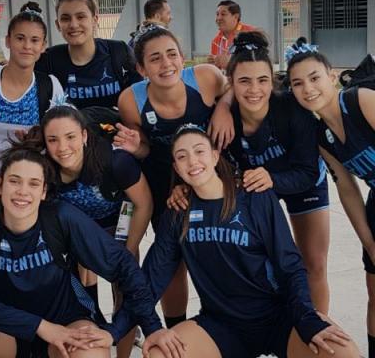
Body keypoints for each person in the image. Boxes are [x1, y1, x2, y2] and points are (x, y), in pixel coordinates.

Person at [111, 124, 359, 358]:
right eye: (182, 156)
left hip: (277, 317)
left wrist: (307, 318)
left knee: (341, 351)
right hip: (221, 325)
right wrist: (113, 332)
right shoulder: (178, 213)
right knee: (160, 354)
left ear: (215, 156)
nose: (193, 161)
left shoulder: (254, 196)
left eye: (199, 151)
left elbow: (290, 265)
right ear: (176, 168)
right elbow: (150, 281)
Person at [0, 142, 161, 358]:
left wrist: (140, 329)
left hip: (65, 325)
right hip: (6, 332)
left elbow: (125, 266)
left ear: (44, 191)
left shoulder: (60, 217)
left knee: (91, 350)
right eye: (14, 181)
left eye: (34, 184)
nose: (23, 191)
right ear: (0, 183)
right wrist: (41, 326)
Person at [168, 31, 331, 314]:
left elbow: (306, 172)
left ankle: (318, 328)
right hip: (256, 186)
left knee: (313, 264)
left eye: (262, 80)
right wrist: (185, 186)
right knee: (261, 262)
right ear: (231, 83)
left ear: (273, 81)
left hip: (302, 182)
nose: (254, 89)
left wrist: (272, 179)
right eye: (244, 81)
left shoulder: (292, 110)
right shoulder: (222, 120)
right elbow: (205, 162)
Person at [115, 24, 233, 329]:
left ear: (182, 57)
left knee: (219, 251)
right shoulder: (131, 100)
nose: (166, 64)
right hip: (164, 186)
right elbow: (144, 149)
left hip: (208, 178)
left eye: (172, 54)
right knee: (173, 260)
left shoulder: (206, 78)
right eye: (155, 59)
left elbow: (233, 89)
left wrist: (222, 106)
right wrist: (136, 147)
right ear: (141, 69)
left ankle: (225, 323)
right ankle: (177, 328)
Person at [28, 104, 153, 357]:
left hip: (118, 226)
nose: (63, 148)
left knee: (126, 293)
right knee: (80, 292)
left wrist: (129, 249)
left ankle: (123, 353)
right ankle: (90, 326)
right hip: (77, 234)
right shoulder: (44, 169)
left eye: (70, 137)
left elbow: (144, 203)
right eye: (53, 140)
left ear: (84, 135)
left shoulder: (116, 161)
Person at [287, 38, 375, 358]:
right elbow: (347, 190)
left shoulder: (361, 100)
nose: (308, 88)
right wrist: (370, 244)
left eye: (314, 78)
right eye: (298, 83)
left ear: (332, 76)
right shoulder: (321, 135)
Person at [0, 1, 64, 217]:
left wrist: (35, 141)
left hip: (23, 191)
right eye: (20, 38)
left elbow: (59, 138)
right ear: (8, 40)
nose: (27, 46)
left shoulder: (50, 86)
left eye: (34, 40)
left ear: (43, 46)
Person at [0, 0, 142, 109]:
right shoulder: (49, 60)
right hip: (68, 143)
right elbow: (13, 69)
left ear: (95, 19)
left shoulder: (118, 52)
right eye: (65, 18)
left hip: (118, 141)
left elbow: (141, 99)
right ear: (58, 25)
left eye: (81, 17)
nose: (73, 24)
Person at [208, 0, 255, 70]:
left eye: (223, 14)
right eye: (217, 14)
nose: (218, 18)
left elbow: (259, 62)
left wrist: (231, 63)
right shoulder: (215, 41)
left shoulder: (251, 33)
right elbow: (216, 70)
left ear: (236, 17)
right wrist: (212, 64)